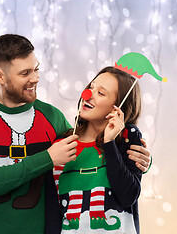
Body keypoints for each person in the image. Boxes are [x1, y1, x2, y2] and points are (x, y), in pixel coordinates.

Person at [0, 34, 151, 234]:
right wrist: (48, 158)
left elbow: (89, 145)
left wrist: (139, 160)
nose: (35, 78)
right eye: (25, 73)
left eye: (36, 69)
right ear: (0, 76)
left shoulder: (51, 118)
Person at [53, 66, 144, 233]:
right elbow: (53, 209)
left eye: (101, 93)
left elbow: (128, 196)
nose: (88, 95)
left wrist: (109, 143)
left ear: (117, 108)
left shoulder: (127, 137)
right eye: (91, 87)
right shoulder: (62, 144)